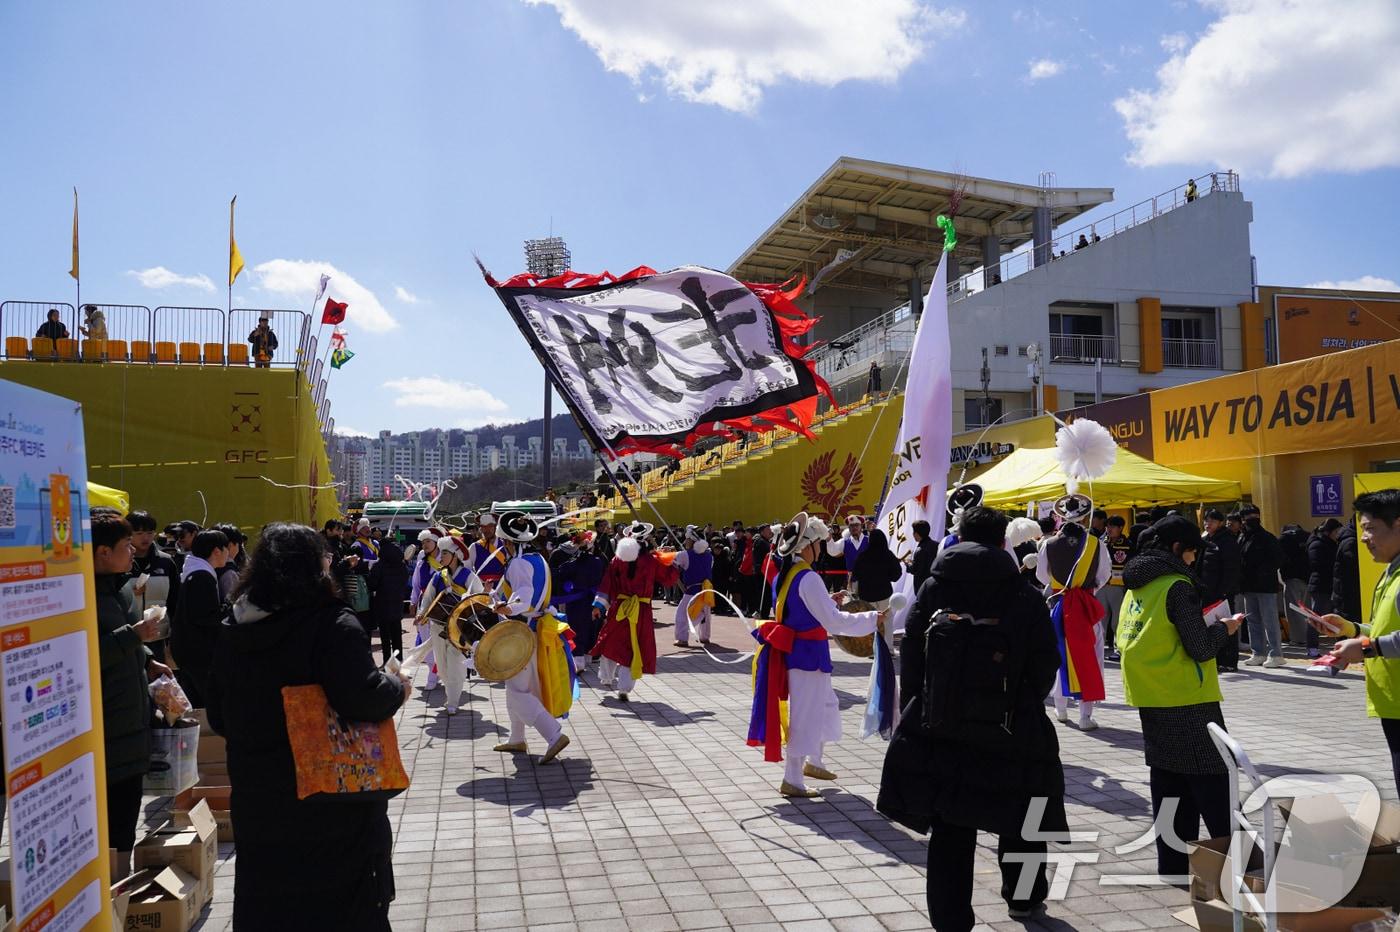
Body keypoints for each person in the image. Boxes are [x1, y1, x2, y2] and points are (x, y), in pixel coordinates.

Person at [207, 523, 408, 930]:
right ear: (316, 569)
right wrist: (396, 687)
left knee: (271, 901)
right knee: (344, 906)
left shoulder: (234, 628)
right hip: (332, 804)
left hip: (260, 799)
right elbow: (362, 697)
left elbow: (217, 715)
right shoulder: (331, 624)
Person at [877, 505, 1066, 929]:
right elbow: (1045, 660)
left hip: (943, 724)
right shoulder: (1022, 593)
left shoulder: (934, 586)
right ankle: (1023, 899)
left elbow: (913, 656)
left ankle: (951, 919)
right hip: (1012, 724)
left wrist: (921, 707)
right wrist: (1024, 703)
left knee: (950, 825)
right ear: (1004, 542)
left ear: (959, 536)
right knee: (1022, 813)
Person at [1117, 516, 1242, 883]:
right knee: (1214, 779)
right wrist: (1225, 628)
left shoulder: (1137, 586)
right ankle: (1237, 865)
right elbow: (1200, 647)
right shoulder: (1176, 586)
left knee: (1169, 782)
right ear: (1176, 548)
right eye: (1190, 552)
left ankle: (1172, 866)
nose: (1192, 560)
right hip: (1188, 697)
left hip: (1150, 694)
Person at [747, 512, 882, 797]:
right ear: (807, 546)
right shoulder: (807, 578)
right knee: (806, 715)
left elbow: (806, 611)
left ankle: (814, 762)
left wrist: (827, 604)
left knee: (823, 706)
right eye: (819, 542)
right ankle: (792, 778)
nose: (821, 547)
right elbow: (834, 622)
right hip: (806, 655)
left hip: (803, 653)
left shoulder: (789, 574)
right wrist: (871, 618)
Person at [93, 514, 170, 877]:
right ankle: (112, 889)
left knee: (125, 811)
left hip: (129, 716)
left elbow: (120, 639)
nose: (132, 551)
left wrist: (149, 659)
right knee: (113, 815)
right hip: (107, 724)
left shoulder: (114, 588)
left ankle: (118, 888)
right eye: (126, 546)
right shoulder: (79, 594)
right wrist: (134, 637)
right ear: (102, 552)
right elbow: (85, 653)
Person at [1312, 490, 1400, 787]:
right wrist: (1350, 630)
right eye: (1363, 529)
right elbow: (1383, 629)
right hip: (1393, 703)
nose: (1364, 538)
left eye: (1371, 528)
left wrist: (1366, 648)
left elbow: (1381, 642)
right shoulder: (1391, 571)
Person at [489, 511, 572, 761]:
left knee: (517, 690)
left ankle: (554, 735)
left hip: (522, 631)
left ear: (509, 542)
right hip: (534, 627)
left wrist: (505, 607)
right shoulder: (538, 559)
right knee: (515, 686)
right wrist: (496, 596)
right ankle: (516, 739)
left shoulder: (517, 563)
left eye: (502, 542)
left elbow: (523, 598)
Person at [1037, 493, 1111, 731]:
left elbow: (1041, 576)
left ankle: (1060, 709)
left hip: (1059, 605)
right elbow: (1104, 575)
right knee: (1091, 656)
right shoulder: (1095, 543)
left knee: (1059, 655)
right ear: (1084, 515)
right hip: (1085, 606)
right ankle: (1085, 716)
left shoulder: (1047, 544)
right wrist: (1088, 590)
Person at [591, 522, 680, 701]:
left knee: (610, 642)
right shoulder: (652, 560)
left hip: (620, 609)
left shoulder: (617, 560)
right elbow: (669, 578)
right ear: (645, 539)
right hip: (641, 610)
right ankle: (625, 687)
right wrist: (667, 558)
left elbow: (607, 584)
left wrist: (599, 606)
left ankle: (606, 676)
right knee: (634, 647)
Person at [170, 527, 229, 707]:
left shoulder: (197, 571)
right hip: (197, 652)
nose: (228, 554)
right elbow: (205, 617)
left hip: (188, 650)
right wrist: (228, 609)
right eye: (226, 548)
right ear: (217, 551)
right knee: (206, 701)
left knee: (195, 701)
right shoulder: (201, 576)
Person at [415, 535, 474, 714]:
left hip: (459, 627)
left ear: (455, 555)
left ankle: (453, 701)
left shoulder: (468, 575)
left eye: (445, 553)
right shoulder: (438, 576)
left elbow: (477, 597)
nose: (441, 557)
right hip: (438, 626)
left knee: (455, 663)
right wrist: (421, 613)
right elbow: (428, 598)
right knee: (442, 664)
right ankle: (450, 692)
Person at [1238, 508, 1285, 667]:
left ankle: (1276, 654)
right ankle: (1258, 652)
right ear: (1243, 519)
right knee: (1252, 621)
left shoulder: (1267, 537)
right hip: (1248, 586)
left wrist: (1262, 571)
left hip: (1265, 587)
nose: (1252, 519)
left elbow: (1278, 559)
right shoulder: (1243, 537)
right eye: (1248, 517)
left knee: (1270, 620)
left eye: (1255, 516)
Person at [552, 533, 606, 667]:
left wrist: (568, 585)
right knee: (592, 627)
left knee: (576, 627)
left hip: (576, 600)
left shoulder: (572, 563)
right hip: (595, 599)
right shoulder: (598, 561)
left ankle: (578, 659)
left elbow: (559, 574)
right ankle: (589, 655)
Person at [1198, 508, 1243, 671]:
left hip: (1222, 593)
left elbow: (1232, 568)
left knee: (1227, 624)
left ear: (1220, 523)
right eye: (1206, 521)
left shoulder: (1227, 540)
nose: (1207, 524)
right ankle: (1215, 658)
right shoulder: (1207, 539)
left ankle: (1229, 661)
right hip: (1207, 590)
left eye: (1212, 521)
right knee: (1211, 625)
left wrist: (1224, 591)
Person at [1304, 518, 1343, 657]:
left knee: (1333, 617)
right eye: (1337, 531)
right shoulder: (1317, 544)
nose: (1338, 534)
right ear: (1329, 531)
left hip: (1330, 585)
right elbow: (1318, 565)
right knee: (1316, 617)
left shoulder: (1333, 543)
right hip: (1320, 586)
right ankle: (1312, 647)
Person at [369, 535, 410, 665]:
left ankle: (387, 662)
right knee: (397, 635)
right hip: (397, 602)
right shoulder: (402, 565)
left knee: (385, 637)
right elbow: (405, 581)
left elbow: (372, 585)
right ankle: (398, 662)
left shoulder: (378, 566)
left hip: (382, 604)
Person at [673, 527, 715, 647]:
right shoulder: (709, 556)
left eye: (687, 539)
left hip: (692, 591)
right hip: (706, 590)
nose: (685, 542)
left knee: (682, 614)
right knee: (706, 615)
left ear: (692, 541)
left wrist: (667, 553)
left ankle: (682, 638)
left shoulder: (685, 555)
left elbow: (673, 562)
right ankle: (705, 637)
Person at [1098, 515, 1134, 658]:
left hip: (1119, 586)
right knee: (1100, 620)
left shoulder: (1127, 544)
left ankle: (1118, 649)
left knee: (1118, 620)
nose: (1109, 529)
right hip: (1101, 585)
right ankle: (1098, 649)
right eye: (1108, 526)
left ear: (1120, 528)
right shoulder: (1101, 542)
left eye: (1113, 526)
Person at [1279, 523, 1310, 645]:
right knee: (1306, 609)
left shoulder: (1283, 539)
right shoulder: (1307, 536)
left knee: (1293, 609)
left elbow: (1280, 558)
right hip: (1307, 577)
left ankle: (1299, 638)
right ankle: (1310, 635)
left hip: (1292, 577)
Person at [1334, 521, 1363, 622]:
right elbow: (1354, 568)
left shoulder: (1348, 540)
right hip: (1349, 594)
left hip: (1345, 593)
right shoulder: (1351, 542)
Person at [212, 523, 248, 601]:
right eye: (239, 544)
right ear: (231, 545)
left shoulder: (210, 563)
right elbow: (234, 602)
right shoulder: (230, 574)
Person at [911, 519, 936, 593]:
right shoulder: (937, 545)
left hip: (922, 587)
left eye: (913, 532)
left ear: (916, 533)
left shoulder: (920, 550)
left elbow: (915, 570)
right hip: (935, 584)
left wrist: (908, 564)